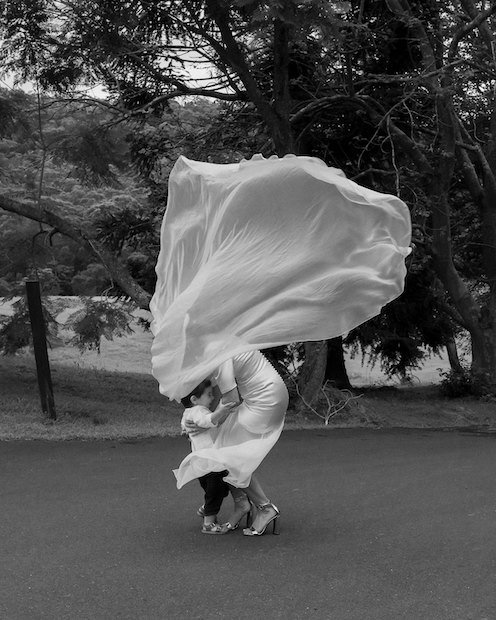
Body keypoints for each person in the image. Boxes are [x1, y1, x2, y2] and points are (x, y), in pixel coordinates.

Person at [178, 350, 289, 536]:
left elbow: (231, 399)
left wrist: (206, 424)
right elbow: (217, 393)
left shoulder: (219, 353)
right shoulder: (222, 342)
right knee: (226, 450)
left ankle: (262, 507)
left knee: (227, 453)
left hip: (265, 399)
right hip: (269, 394)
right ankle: (244, 503)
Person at [179, 379, 237, 534]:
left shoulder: (187, 413)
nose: (212, 398)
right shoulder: (198, 411)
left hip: (202, 463)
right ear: (194, 399)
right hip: (209, 462)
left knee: (220, 490)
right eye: (209, 395)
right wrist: (222, 410)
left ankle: (206, 509)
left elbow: (186, 429)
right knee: (216, 491)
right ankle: (208, 524)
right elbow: (208, 421)